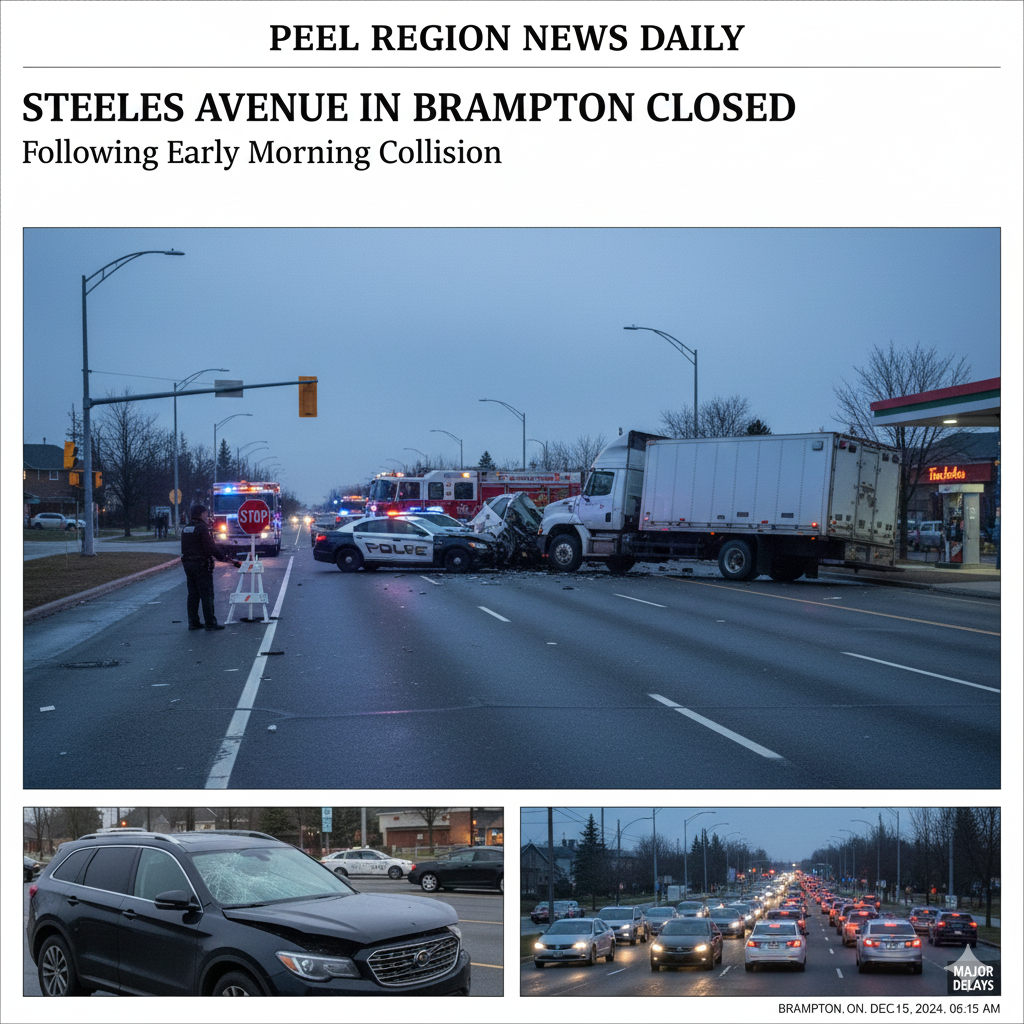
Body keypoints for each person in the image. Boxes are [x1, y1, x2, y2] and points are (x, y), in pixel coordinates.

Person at [180, 505, 241, 631]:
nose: (208, 518)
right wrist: (223, 558)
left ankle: (193, 622)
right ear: (201, 514)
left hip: (188, 564)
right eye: (206, 515)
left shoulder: (186, 528)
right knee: (206, 593)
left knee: (193, 594)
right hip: (201, 565)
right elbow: (210, 547)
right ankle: (210, 622)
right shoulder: (202, 528)